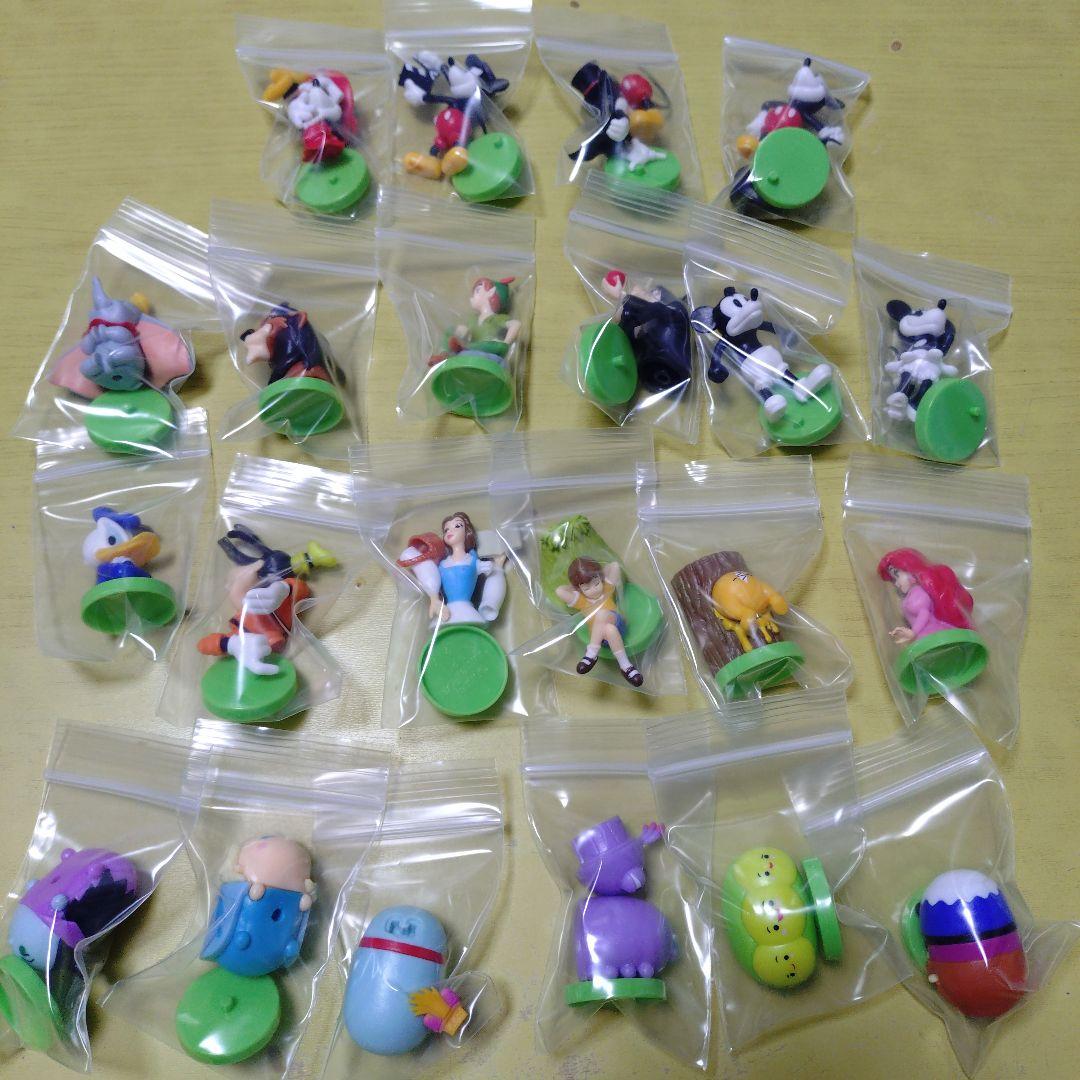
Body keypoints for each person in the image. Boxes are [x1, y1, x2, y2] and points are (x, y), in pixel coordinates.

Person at [556, 557, 643, 687]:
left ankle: (591, 653)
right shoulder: (581, 601)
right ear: (580, 589)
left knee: (601, 614)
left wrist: (598, 573)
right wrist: (576, 584)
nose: (594, 589)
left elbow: (614, 566)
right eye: (587, 588)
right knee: (609, 629)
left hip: (618, 624)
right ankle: (625, 666)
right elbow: (559, 591)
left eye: (597, 583)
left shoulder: (607, 589)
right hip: (603, 638)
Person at [877, 547, 975, 645]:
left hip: (930, 633)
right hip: (924, 636)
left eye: (897, 576)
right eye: (893, 580)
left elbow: (924, 613)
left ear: (911, 572)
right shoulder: (911, 594)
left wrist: (913, 632)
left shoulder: (918, 593)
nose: (896, 584)